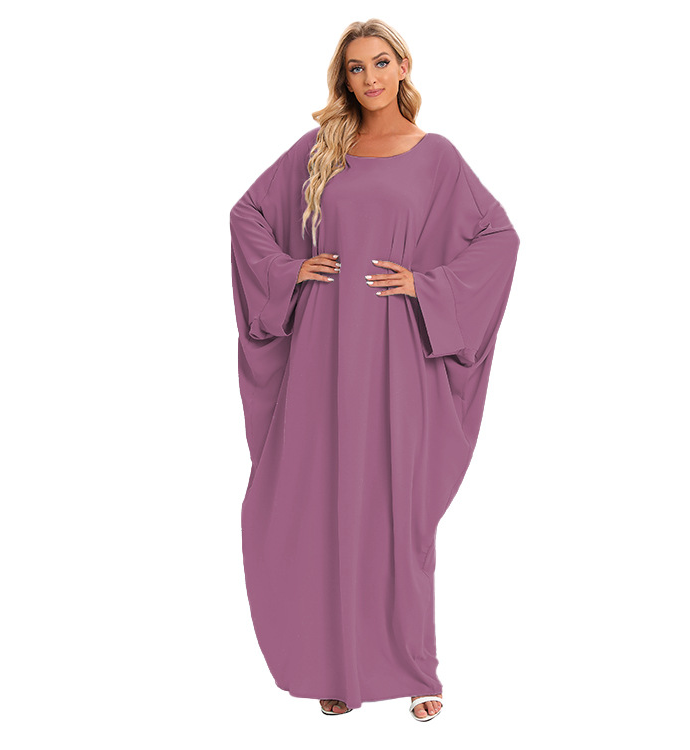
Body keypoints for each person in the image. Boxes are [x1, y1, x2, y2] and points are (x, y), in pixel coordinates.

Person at [230, 18, 520, 721]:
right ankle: (337, 668)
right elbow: (247, 215)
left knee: (399, 513)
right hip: (322, 355)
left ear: (403, 66)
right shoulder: (321, 150)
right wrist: (292, 270)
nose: (370, 78)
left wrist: (428, 285)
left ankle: (417, 669)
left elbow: (500, 237)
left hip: (398, 355)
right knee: (324, 506)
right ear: (345, 78)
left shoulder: (436, 156)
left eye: (381, 63)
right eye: (356, 68)